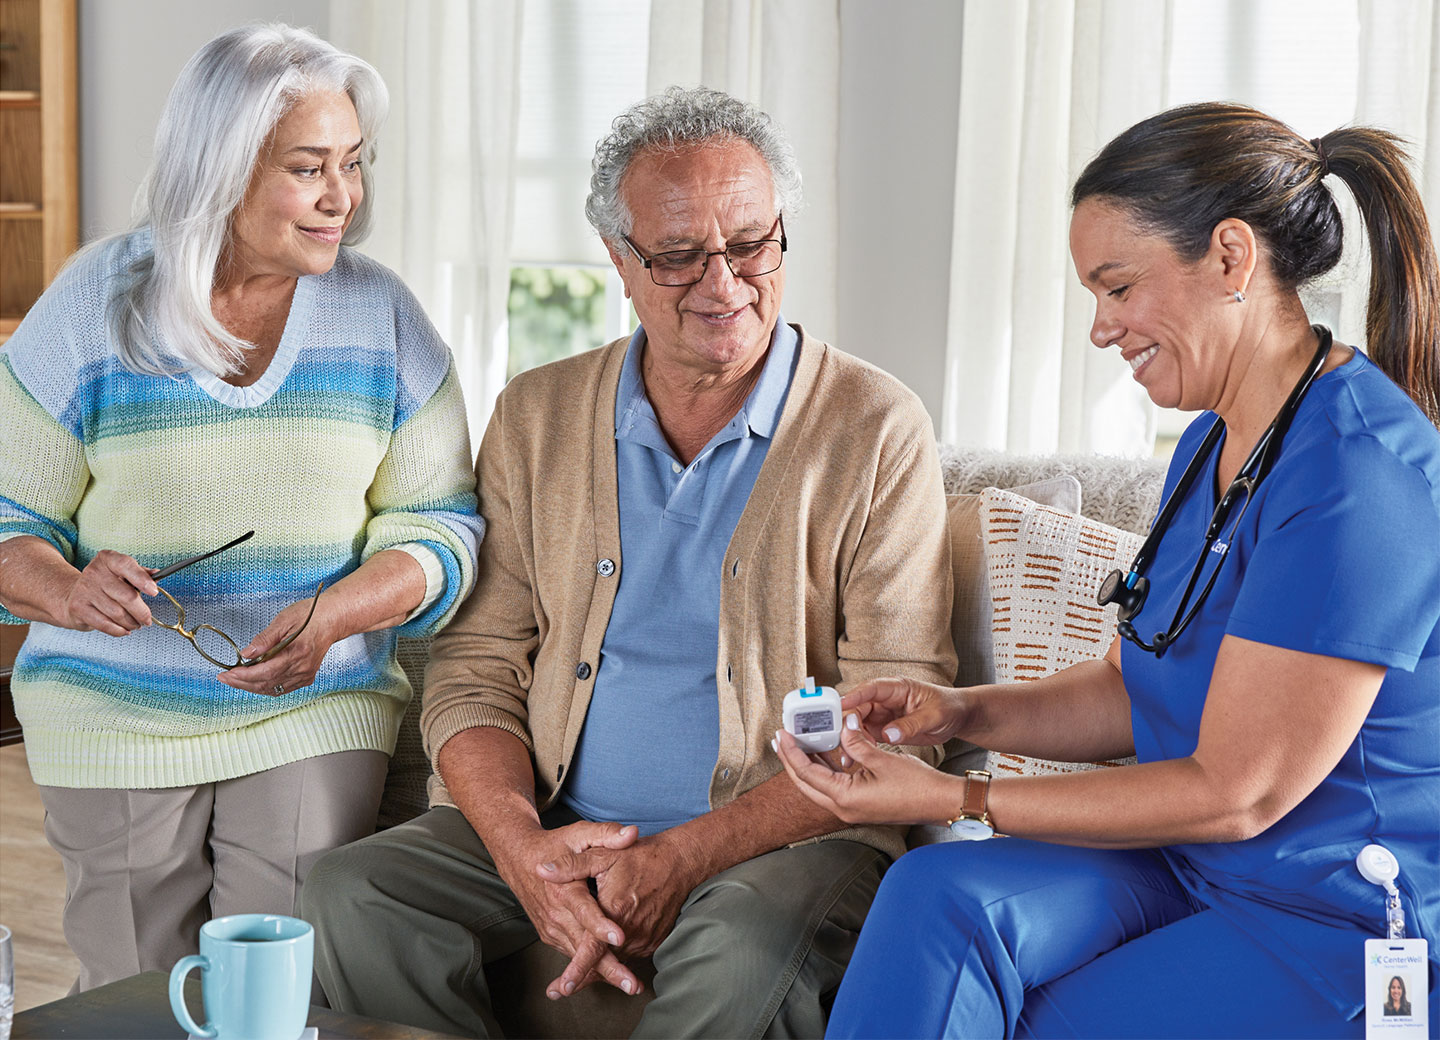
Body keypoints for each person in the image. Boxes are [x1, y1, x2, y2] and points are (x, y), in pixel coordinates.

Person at [300, 86, 956, 1038]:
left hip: (787, 836)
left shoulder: (875, 427)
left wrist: (685, 856)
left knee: (740, 952)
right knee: (355, 892)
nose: (724, 283)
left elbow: (900, 717)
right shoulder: (538, 416)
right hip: (566, 815)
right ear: (618, 261)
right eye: (681, 255)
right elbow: (474, 672)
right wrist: (526, 850)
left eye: (751, 245)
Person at [776, 102, 1440, 1038]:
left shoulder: (1362, 478)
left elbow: (1239, 789)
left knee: (1043, 1019)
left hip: (1340, 925)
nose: (1101, 327)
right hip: (1193, 862)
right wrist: (961, 713)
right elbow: (1142, 688)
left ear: (1231, 257)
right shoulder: (1213, 443)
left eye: (1118, 287)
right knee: (939, 898)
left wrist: (958, 796)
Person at [0, 24, 483, 992]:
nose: (344, 196)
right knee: (136, 991)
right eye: (310, 168)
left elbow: (443, 525)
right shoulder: (96, 302)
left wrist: (334, 614)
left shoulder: (380, 315)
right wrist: (65, 590)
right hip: (112, 707)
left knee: (276, 984)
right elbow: (10, 518)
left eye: (353, 163)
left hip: (312, 702)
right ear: (219, 171)